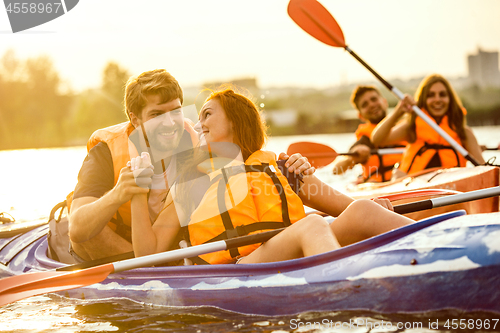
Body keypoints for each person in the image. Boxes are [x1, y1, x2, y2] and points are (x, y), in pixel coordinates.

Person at [128, 88, 414, 265]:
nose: (198, 123)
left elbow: (348, 208)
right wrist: (137, 194)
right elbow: (148, 253)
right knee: (312, 224)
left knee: (364, 209)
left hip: (296, 253)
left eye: (207, 114)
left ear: (235, 121)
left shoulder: (281, 167)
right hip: (244, 266)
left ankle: (445, 243)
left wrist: (376, 204)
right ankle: (348, 288)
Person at [67, 70, 313, 262]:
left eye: (174, 111)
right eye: (156, 115)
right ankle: (153, 269)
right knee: (89, 234)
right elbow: (77, 228)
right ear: (135, 119)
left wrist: (290, 167)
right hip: (119, 239)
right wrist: (119, 194)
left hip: (162, 240)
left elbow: (244, 157)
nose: (169, 123)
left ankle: (159, 263)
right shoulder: (106, 153)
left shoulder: (197, 138)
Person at [371, 74, 485, 176]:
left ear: (450, 99)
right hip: (414, 187)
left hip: (452, 187)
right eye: (431, 95)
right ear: (423, 100)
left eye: (442, 95)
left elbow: (484, 169)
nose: (437, 99)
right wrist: (398, 111)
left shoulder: (464, 132)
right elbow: (377, 139)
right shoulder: (411, 127)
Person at [331, 85, 408, 182]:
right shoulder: (365, 140)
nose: (371, 105)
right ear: (360, 115)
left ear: (385, 102)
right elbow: (336, 170)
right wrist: (351, 158)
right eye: (364, 105)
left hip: (411, 180)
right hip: (380, 187)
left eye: (374, 99)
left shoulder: (406, 129)